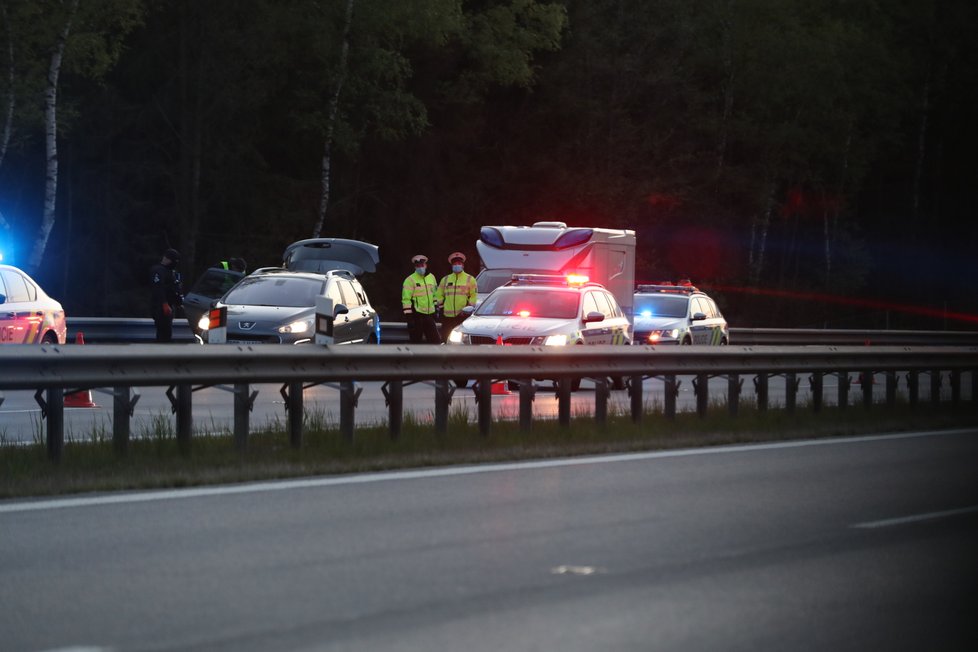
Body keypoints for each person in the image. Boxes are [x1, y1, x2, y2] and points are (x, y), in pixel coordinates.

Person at [435, 251, 478, 342]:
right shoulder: (445, 279)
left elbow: (473, 296)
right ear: (452, 265)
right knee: (445, 339)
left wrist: (467, 309)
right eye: (455, 263)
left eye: (459, 263)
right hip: (447, 317)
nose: (457, 265)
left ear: (463, 265)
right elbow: (439, 295)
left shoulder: (470, 279)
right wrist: (440, 306)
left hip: (462, 316)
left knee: (460, 341)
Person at [401, 254, 440, 344]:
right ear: (415, 267)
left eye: (422, 265)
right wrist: (409, 318)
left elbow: (435, 295)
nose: (420, 267)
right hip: (416, 316)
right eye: (418, 266)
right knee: (416, 342)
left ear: (426, 265)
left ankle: (433, 358)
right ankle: (415, 358)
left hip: (429, 316)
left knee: (435, 341)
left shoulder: (431, 277)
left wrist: (436, 309)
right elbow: (406, 300)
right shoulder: (410, 280)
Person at [150, 248, 184, 342]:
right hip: (160, 306)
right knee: (163, 332)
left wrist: (178, 302)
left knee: (167, 332)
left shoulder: (171, 271)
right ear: (167, 259)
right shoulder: (158, 270)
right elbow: (158, 288)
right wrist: (164, 304)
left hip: (170, 305)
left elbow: (174, 288)